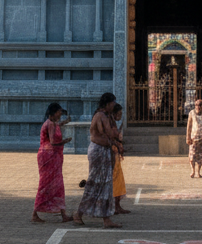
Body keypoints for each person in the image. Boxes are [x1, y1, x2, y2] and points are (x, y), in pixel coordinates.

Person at [73, 92, 122, 228]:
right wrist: (116, 134)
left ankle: (106, 218)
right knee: (94, 183)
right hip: (98, 151)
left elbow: (112, 136)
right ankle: (78, 214)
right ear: (107, 103)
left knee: (106, 185)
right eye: (113, 103)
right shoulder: (100, 116)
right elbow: (110, 133)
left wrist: (117, 143)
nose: (114, 105)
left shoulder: (106, 116)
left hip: (104, 150)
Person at [32, 103, 73, 223]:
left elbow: (56, 127)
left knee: (55, 184)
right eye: (59, 112)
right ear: (54, 113)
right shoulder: (50, 124)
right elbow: (53, 142)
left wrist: (64, 122)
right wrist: (65, 141)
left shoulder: (51, 123)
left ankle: (62, 213)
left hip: (50, 156)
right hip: (49, 156)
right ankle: (35, 213)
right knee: (47, 184)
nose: (60, 114)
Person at [110, 102, 130, 215]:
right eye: (119, 113)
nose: (120, 116)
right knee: (114, 179)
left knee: (118, 179)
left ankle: (117, 205)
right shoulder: (109, 123)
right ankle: (113, 205)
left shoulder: (113, 123)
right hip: (112, 153)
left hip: (116, 153)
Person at [185, 97, 202, 178]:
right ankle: (193, 171)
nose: (198, 107)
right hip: (193, 138)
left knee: (200, 156)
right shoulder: (192, 113)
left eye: (200, 105)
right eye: (196, 105)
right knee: (192, 156)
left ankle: (198, 171)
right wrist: (188, 137)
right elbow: (189, 126)